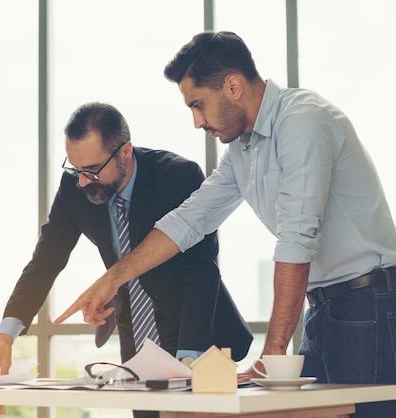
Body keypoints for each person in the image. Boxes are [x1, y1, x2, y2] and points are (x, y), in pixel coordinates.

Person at [56, 31, 396, 417]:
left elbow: (297, 239)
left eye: (198, 104)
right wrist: (113, 279)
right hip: (323, 308)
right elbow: (189, 219)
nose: (197, 122)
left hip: (368, 300)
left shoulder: (303, 122)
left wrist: (272, 352)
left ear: (233, 86)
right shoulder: (244, 150)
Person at [0, 103, 252, 405]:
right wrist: (5, 336)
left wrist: (190, 361)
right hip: (137, 343)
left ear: (125, 151)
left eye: (92, 170)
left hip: (200, 339)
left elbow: (201, 270)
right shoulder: (75, 187)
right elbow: (44, 262)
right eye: (75, 169)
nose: (83, 181)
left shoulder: (177, 176)